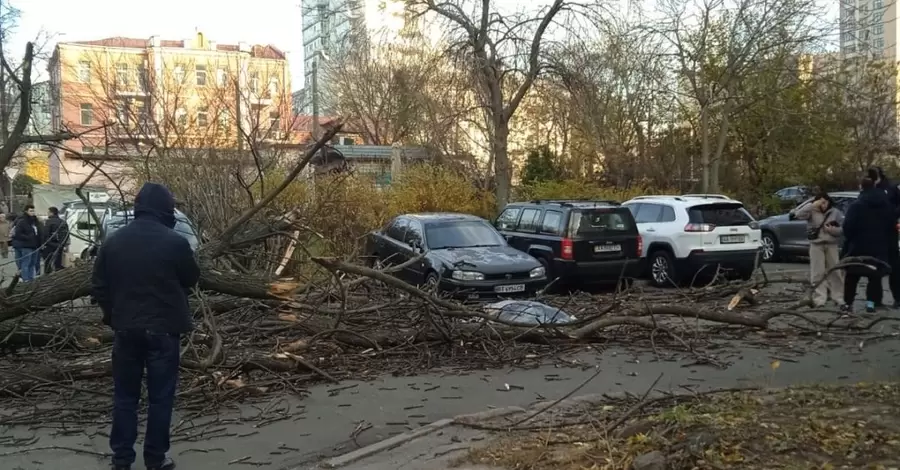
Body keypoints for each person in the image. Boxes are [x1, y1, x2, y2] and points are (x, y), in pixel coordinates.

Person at [92, 183, 200, 470]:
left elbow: (99, 286)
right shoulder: (175, 242)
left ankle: (122, 458)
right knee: (160, 398)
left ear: (138, 207)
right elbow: (191, 278)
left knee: (125, 396)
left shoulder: (113, 241)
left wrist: (112, 317)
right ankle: (155, 458)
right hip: (164, 329)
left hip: (125, 328)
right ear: (166, 208)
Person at [842, 176, 895, 313]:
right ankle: (871, 303)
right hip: (878, 246)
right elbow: (891, 224)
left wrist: (850, 239)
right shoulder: (885, 205)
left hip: (858, 246)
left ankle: (848, 303)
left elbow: (848, 227)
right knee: (874, 276)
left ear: (861, 187)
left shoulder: (857, 205)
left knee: (852, 276)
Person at [789, 192, 845, 308]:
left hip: (831, 244)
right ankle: (820, 298)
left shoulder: (835, 212)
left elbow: (842, 229)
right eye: (821, 202)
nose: (823, 205)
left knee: (835, 271)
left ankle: (838, 297)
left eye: (825, 202)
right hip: (816, 245)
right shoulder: (812, 210)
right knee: (817, 273)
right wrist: (811, 205)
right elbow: (797, 214)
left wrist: (832, 230)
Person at [868, 166, 900, 307]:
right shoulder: (869, 189)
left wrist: (892, 216)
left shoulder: (891, 188)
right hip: (874, 234)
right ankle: (875, 299)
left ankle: (898, 298)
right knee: (874, 268)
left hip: (889, 233)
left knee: (894, 267)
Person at [11, 205, 41, 281]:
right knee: (26, 263)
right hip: (26, 245)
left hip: (35, 245)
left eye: (33, 211)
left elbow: (39, 232)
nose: (33, 212)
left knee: (32, 263)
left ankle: (31, 279)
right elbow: (18, 233)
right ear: (26, 211)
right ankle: (25, 279)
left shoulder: (35, 221)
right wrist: (28, 237)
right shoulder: (22, 221)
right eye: (31, 211)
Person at [42, 206, 69, 273]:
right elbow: (67, 234)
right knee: (58, 262)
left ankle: (47, 276)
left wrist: (45, 243)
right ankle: (58, 274)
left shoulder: (49, 222)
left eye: (48, 212)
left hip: (50, 245)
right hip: (60, 245)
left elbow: (45, 234)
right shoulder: (63, 222)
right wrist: (62, 244)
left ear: (52, 213)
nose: (47, 213)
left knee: (48, 262)